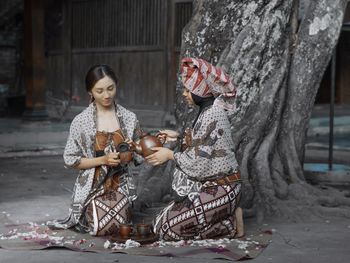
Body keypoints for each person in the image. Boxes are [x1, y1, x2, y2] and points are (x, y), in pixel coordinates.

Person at [146, 57, 244, 241]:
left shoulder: (213, 114)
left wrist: (170, 155)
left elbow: (198, 164)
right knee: (158, 223)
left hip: (223, 187)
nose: (184, 94)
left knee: (167, 229)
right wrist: (177, 138)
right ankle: (226, 214)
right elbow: (204, 145)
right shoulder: (207, 112)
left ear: (201, 91)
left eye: (188, 89)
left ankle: (227, 225)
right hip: (209, 187)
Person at [48, 64, 142, 235]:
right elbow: (70, 159)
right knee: (101, 226)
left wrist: (134, 149)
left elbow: (139, 157)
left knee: (117, 225)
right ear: (90, 92)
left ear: (116, 86)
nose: (106, 95)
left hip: (120, 185)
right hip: (91, 186)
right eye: (99, 91)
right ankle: (85, 213)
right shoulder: (81, 121)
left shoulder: (129, 118)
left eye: (110, 88)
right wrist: (103, 160)